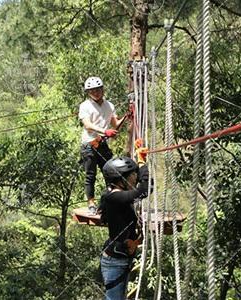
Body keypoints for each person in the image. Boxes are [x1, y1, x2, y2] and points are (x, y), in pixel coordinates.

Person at [99, 156, 150, 300]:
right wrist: (143, 164)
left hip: (119, 258)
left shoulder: (114, 194)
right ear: (121, 179)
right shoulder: (115, 198)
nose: (135, 178)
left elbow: (141, 188)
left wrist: (140, 167)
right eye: (132, 175)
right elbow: (144, 190)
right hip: (115, 261)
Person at [79, 76, 127, 215]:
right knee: (90, 175)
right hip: (89, 144)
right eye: (92, 90)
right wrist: (105, 131)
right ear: (88, 92)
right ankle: (91, 203)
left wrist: (126, 116)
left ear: (102, 89)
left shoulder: (109, 105)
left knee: (111, 172)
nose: (96, 92)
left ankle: (110, 199)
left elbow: (115, 124)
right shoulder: (85, 106)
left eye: (98, 89)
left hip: (102, 144)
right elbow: (87, 125)